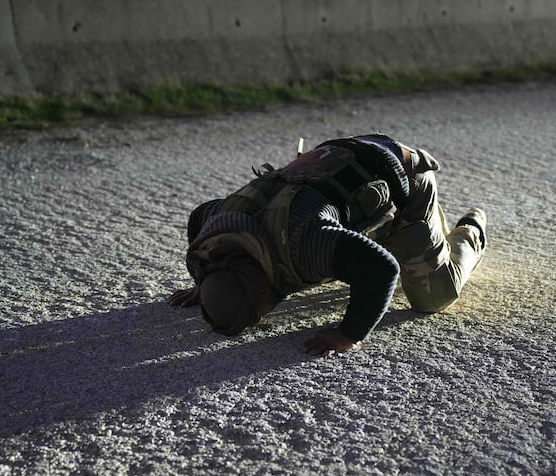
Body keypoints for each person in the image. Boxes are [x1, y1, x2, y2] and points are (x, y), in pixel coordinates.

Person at [168, 133, 486, 355]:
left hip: (403, 181)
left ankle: (469, 231)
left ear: (263, 290)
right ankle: (411, 237)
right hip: (336, 164)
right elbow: (199, 215)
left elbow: (381, 269)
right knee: (342, 250)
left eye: (257, 315)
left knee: (433, 297)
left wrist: (348, 334)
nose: (262, 318)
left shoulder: (303, 245)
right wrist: (204, 285)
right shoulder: (212, 235)